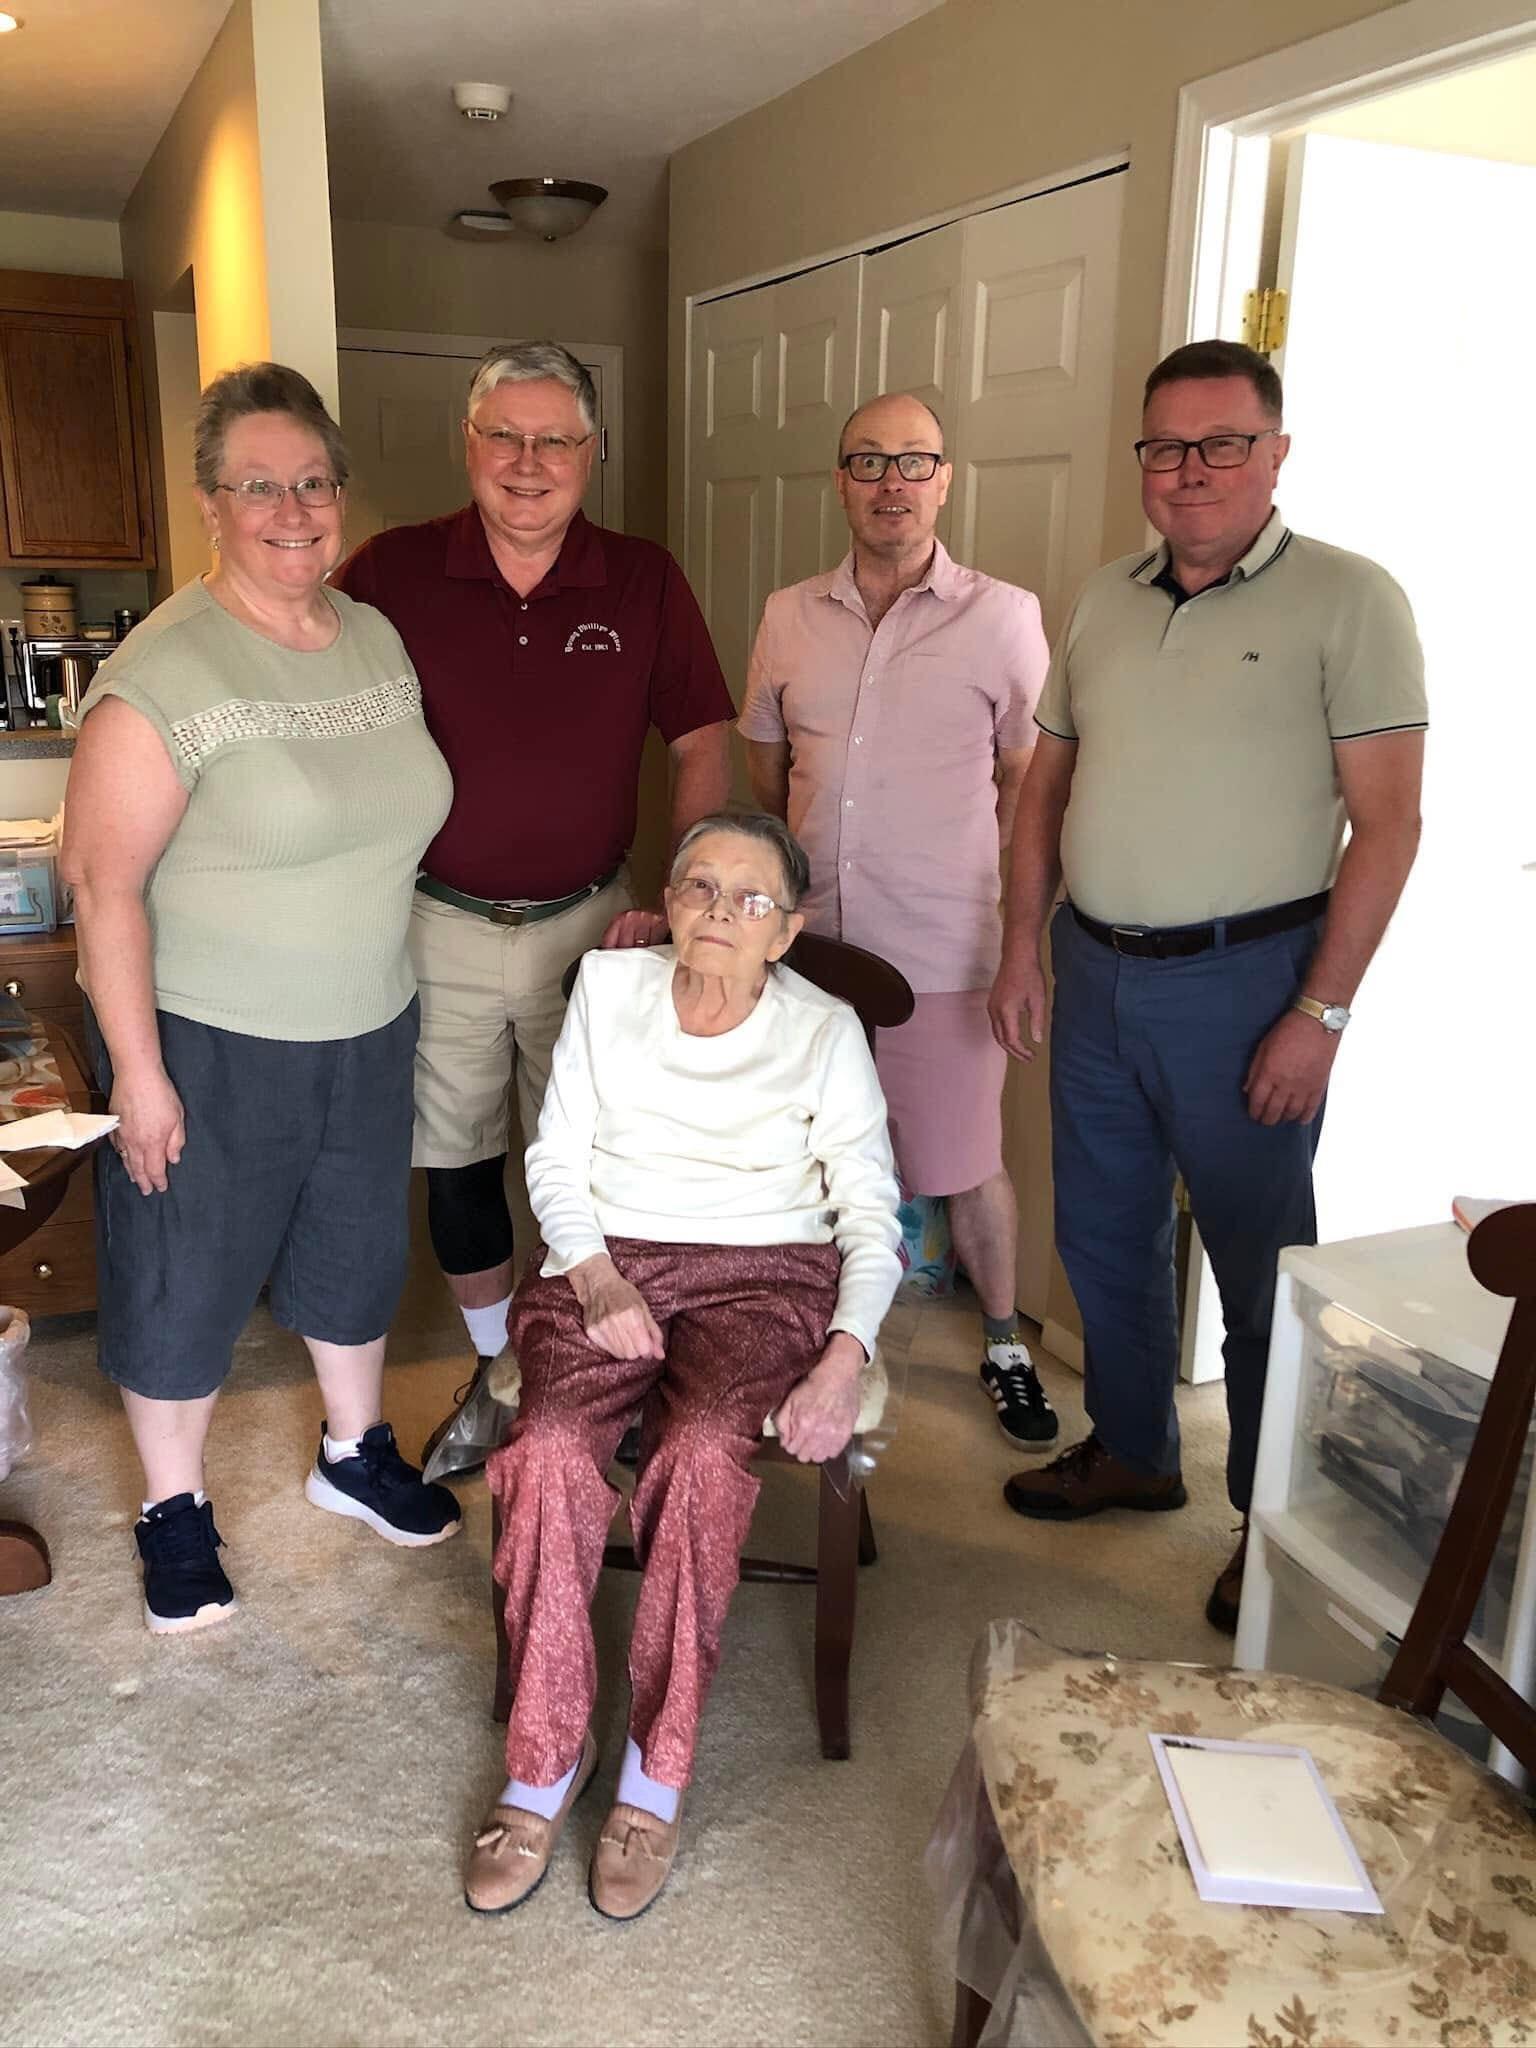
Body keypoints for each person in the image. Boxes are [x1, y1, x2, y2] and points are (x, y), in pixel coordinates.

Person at [989, 339, 1426, 1631]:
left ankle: (1263, 1517)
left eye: (1222, 443)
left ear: (1275, 454)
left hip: (1249, 985)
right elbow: (1042, 787)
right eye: (1166, 446)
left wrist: (1321, 1015)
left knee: (1254, 1265)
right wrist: (1023, 942)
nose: (1190, 471)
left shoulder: (1352, 601)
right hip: (1094, 968)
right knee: (1103, 1238)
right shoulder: (1102, 597)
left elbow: (1389, 827)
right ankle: (1132, 1448)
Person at [61, 361, 462, 1636]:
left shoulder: (374, 634)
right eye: (259, 486)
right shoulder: (165, 672)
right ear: (211, 502)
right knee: (185, 1274)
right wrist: (139, 1071)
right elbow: (103, 887)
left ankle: (354, 1451)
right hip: (211, 1034)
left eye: (313, 482)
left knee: (358, 1252)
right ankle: (173, 1508)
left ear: (340, 492)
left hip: (369, 1014)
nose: (293, 508)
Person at [466, 811, 900, 1921]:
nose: (717, 912)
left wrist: (844, 1357)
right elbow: (556, 1153)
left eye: (749, 899)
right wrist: (597, 1274)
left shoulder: (826, 1029)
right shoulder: (610, 993)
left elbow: (870, 1213)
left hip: (768, 1271)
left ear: (787, 931)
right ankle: (546, 1757)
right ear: (669, 897)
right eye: (699, 885)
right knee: (550, 1445)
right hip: (606, 1257)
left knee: (705, 1450)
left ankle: (655, 1771)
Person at [331, 343, 733, 1477]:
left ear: (592, 453)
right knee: (457, 1164)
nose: (527, 460)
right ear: (470, 445)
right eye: (503, 434)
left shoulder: (644, 577)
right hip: (435, 922)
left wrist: (676, 898)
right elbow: (311, 708)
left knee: (603, 1164)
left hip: (594, 928)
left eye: (555, 437)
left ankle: (599, 1366)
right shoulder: (388, 573)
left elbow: (701, 737)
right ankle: (502, 1367)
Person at [739, 392, 1054, 1452]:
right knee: (803, 1159)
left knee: (964, 1159)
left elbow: (1028, 788)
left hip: (943, 951)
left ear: (945, 479)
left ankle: (1006, 1342)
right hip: (810, 953)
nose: (890, 482)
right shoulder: (788, 614)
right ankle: (808, 1342)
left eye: (913, 462)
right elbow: (768, 770)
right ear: (839, 479)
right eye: (868, 461)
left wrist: (1020, 941)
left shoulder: (1003, 616)